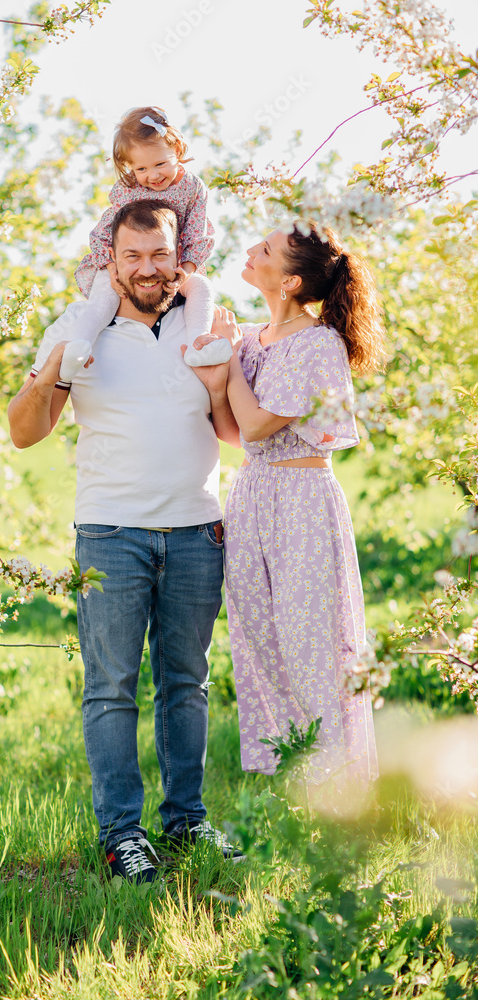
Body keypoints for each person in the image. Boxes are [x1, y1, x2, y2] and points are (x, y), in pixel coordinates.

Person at [7, 199, 245, 883]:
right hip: (111, 534)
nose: (147, 269)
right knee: (111, 688)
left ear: (180, 254)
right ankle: (120, 835)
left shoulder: (206, 324)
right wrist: (55, 368)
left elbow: (233, 427)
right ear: (109, 257)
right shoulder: (78, 328)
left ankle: (187, 822)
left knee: (186, 684)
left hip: (198, 530)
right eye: (132, 256)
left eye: (159, 255)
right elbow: (24, 431)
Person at [192, 224, 387, 788]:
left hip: (302, 499)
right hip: (253, 494)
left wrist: (225, 364)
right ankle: (292, 768)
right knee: (258, 636)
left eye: (266, 251)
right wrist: (217, 380)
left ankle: (341, 778)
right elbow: (238, 434)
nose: (251, 252)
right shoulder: (254, 339)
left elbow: (256, 419)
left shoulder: (317, 344)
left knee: (311, 640)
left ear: (290, 279)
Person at [40, 105, 231, 385]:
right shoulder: (128, 189)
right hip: (123, 262)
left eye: (160, 164)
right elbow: (105, 231)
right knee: (104, 293)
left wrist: (187, 271)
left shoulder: (192, 187)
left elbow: (196, 232)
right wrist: (111, 266)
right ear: (129, 167)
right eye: (141, 168)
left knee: (202, 288)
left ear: (177, 149)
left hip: (174, 262)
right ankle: (78, 347)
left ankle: (197, 344)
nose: (152, 175)